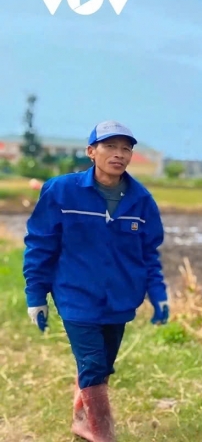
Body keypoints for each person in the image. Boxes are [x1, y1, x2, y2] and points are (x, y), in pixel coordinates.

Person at [22, 120, 169, 442]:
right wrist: (36, 295)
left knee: (102, 365)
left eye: (126, 149)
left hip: (120, 299)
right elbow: (40, 244)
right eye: (110, 146)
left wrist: (158, 294)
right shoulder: (61, 191)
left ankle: (81, 420)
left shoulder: (141, 199)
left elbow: (149, 253)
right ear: (91, 151)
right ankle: (103, 434)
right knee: (92, 363)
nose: (119, 154)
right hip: (75, 295)